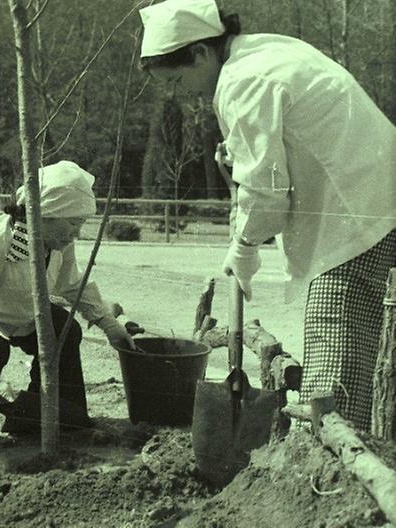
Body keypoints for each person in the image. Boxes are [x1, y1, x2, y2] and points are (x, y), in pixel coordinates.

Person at [139, 0, 396, 431]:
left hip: (357, 215)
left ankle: (333, 468)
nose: (179, 92)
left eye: (178, 78)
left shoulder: (242, 83)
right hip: (375, 196)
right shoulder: (265, 51)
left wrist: (243, 246)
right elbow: (278, 150)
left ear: (201, 53)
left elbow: (266, 192)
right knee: (364, 344)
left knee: (334, 338)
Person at [0, 160, 136, 435]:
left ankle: (49, 418)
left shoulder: (58, 243)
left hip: (28, 314)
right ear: (45, 214)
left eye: (80, 224)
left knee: (65, 330)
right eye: (73, 223)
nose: (77, 233)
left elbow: (71, 283)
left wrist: (107, 323)